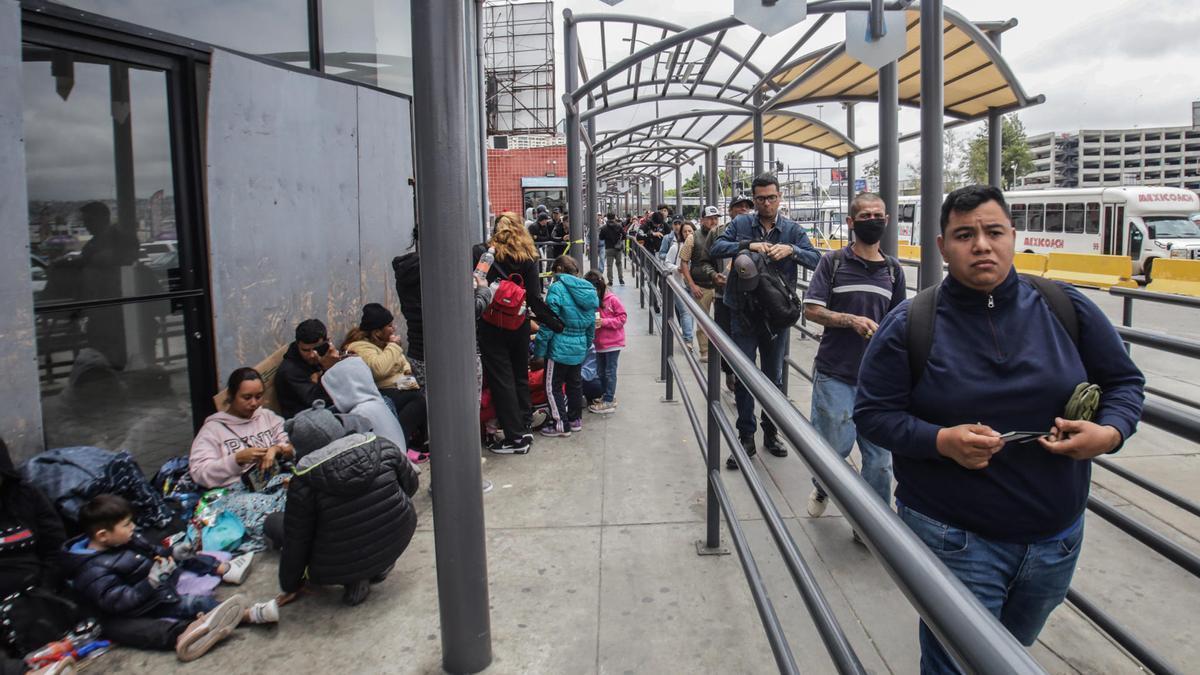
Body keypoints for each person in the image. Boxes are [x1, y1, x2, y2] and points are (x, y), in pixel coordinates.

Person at [854, 185, 1145, 674]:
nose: (981, 245)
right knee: (962, 661)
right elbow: (873, 414)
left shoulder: (1064, 307)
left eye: (993, 232)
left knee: (1012, 648)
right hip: (954, 536)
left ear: (1014, 237)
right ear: (943, 247)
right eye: (964, 234)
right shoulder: (912, 324)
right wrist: (941, 441)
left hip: (1056, 539)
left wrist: (1110, 433)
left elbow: (1124, 383)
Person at [801, 193, 907, 537]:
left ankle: (871, 528)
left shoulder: (893, 271)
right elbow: (811, 310)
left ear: (887, 220)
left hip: (878, 381)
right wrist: (850, 320)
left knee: (879, 460)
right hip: (836, 372)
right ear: (851, 222)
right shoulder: (832, 263)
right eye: (865, 215)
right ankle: (825, 485)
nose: (872, 219)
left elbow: (899, 322)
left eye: (878, 214)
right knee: (835, 449)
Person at [62, 495, 277, 662]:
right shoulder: (91, 570)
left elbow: (153, 551)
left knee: (189, 573)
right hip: (136, 607)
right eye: (126, 524)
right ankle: (201, 630)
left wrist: (171, 553)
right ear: (102, 535)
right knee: (178, 613)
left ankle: (237, 600)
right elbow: (118, 601)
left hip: (156, 587)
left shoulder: (126, 539)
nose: (133, 528)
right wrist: (151, 583)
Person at [710, 174, 820, 468]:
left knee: (774, 378)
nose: (766, 203)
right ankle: (746, 435)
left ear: (780, 197)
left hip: (776, 316)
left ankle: (771, 432)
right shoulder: (742, 223)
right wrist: (749, 245)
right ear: (754, 200)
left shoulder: (792, 230)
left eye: (771, 197)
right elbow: (716, 248)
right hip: (743, 312)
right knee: (745, 376)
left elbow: (817, 259)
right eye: (761, 198)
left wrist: (792, 251)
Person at [279, 404, 418, 607]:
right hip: (399, 534)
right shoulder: (382, 446)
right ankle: (378, 565)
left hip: (338, 561)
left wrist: (291, 584)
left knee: (275, 525)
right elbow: (411, 485)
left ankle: (354, 579)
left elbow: (296, 541)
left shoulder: (304, 483)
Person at [475, 212, 562, 454]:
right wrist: (554, 323)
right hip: (520, 323)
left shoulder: (481, 251)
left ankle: (515, 438)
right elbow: (534, 297)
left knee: (501, 379)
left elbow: (473, 284)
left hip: (491, 324)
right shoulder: (529, 256)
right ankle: (524, 424)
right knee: (519, 374)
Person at [190, 368, 293, 551]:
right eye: (247, 397)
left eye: (259, 396)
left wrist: (276, 449)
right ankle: (287, 532)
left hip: (273, 482)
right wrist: (235, 460)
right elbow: (199, 473)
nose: (254, 403)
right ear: (231, 396)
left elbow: (290, 446)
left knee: (300, 488)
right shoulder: (213, 430)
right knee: (254, 506)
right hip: (237, 493)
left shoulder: (267, 417)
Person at [340, 303, 429, 461]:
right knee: (417, 401)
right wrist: (394, 347)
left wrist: (405, 369)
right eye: (389, 325)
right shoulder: (359, 347)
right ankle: (397, 444)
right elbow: (379, 369)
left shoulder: (383, 344)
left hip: (397, 386)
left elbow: (402, 363)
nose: (393, 328)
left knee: (421, 397)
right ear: (376, 332)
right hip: (378, 392)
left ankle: (415, 443)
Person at [533, 255, 598, 437]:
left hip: (558, 348)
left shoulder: (557, 288)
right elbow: (591, 323)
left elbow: (548, 323)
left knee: (552, 386)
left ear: (559, 270)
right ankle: (575, 420)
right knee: (574, 385)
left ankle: (560, 424)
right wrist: (585, 344)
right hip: (578, 346)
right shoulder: (588, 289)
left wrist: (539, 350)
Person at [679, 205, 723, 362]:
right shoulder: (693, 237)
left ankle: (720, 350)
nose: (713, 221)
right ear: (702, 220)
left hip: (720, 286)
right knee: (703, 321)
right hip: (701, 285)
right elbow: (683, 262)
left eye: (716, 218)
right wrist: (692, 285)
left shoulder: (723, 235)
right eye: (710, 218)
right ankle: (704, 351)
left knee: (722, 320)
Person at [277, 319, 342, 418]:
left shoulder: (325, 355)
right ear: (298, 345)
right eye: (306, 350)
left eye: (316, 348)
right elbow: (318, 400)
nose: (312, 355)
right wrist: (329, 369)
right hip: (306, 418)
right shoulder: (289, 371)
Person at [584, 270, 626, 415]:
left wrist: (605, 322)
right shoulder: (591, 302)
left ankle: (608, 399)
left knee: (609, 371)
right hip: (599, 343)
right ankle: (606, 396)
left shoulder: (612, 299)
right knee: (601, 371)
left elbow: (622, 317)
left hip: (613, 343)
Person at [392, 251, 427, 388]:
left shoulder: (404, 276)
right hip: (439, 349)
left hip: (416, 348)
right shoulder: (430, 275)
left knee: (426, 402)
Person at [663, 221, 697, 349]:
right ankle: (688, 339)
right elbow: (666, 262)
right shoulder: (675, 247)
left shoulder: (698, 246)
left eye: (690, 231)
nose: (688, 233)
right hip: (679, 284)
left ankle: (687, 334)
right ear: (681, 234)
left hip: (694, 284)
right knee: (685, 312)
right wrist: (677, 268)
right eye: (685, 231)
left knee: (691, 312)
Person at [600, 213, 626, 285]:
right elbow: (625, 235)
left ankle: (610, 281)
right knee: (619, 264)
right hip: (618, 248)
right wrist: (620, 239)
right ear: (614, 217)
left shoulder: (604, 227)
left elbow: (601, 237)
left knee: (609, 265)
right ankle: (621, 279)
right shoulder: (619, 226)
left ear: (607, 218)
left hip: (608, 248)